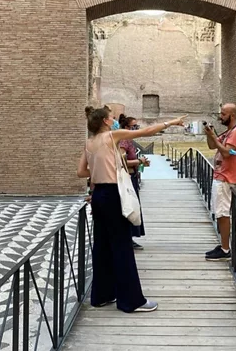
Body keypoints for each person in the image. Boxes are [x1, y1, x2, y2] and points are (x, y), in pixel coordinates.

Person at [78, 106, 187, 312]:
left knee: (101, 245)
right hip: (112, 195)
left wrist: (100, 169)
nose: (114, 120)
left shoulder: (89, 142)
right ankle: (131, 301)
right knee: (122, 246)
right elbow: (144, 132)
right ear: (106, 122)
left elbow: (81, 171)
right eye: (111, 118)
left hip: (98, 195)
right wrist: (171, 122)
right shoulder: (112, 135)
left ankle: (101, 295)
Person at [203, 103, 236, 261]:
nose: (220, 116)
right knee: (219, 213)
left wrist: (214, 136)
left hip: (226, 178)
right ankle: (223, 245)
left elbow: (227, 153)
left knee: (222, 213)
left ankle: (226, 249)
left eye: (223, 114)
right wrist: (209, 134)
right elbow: (212, 145)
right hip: (220, 176)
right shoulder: (228, 132)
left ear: (232, 116)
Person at [118, 114, 149, 249]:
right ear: (126, 127)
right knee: (129, 207)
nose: (136, 129)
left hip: (132, 177)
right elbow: (120, 161)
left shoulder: (128, 140)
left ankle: (128, 238)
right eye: (134, 126)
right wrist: (139, 161)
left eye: (137, 126)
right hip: (128, 179)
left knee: (133, 206)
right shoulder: (124, 141)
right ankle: (126, 239)